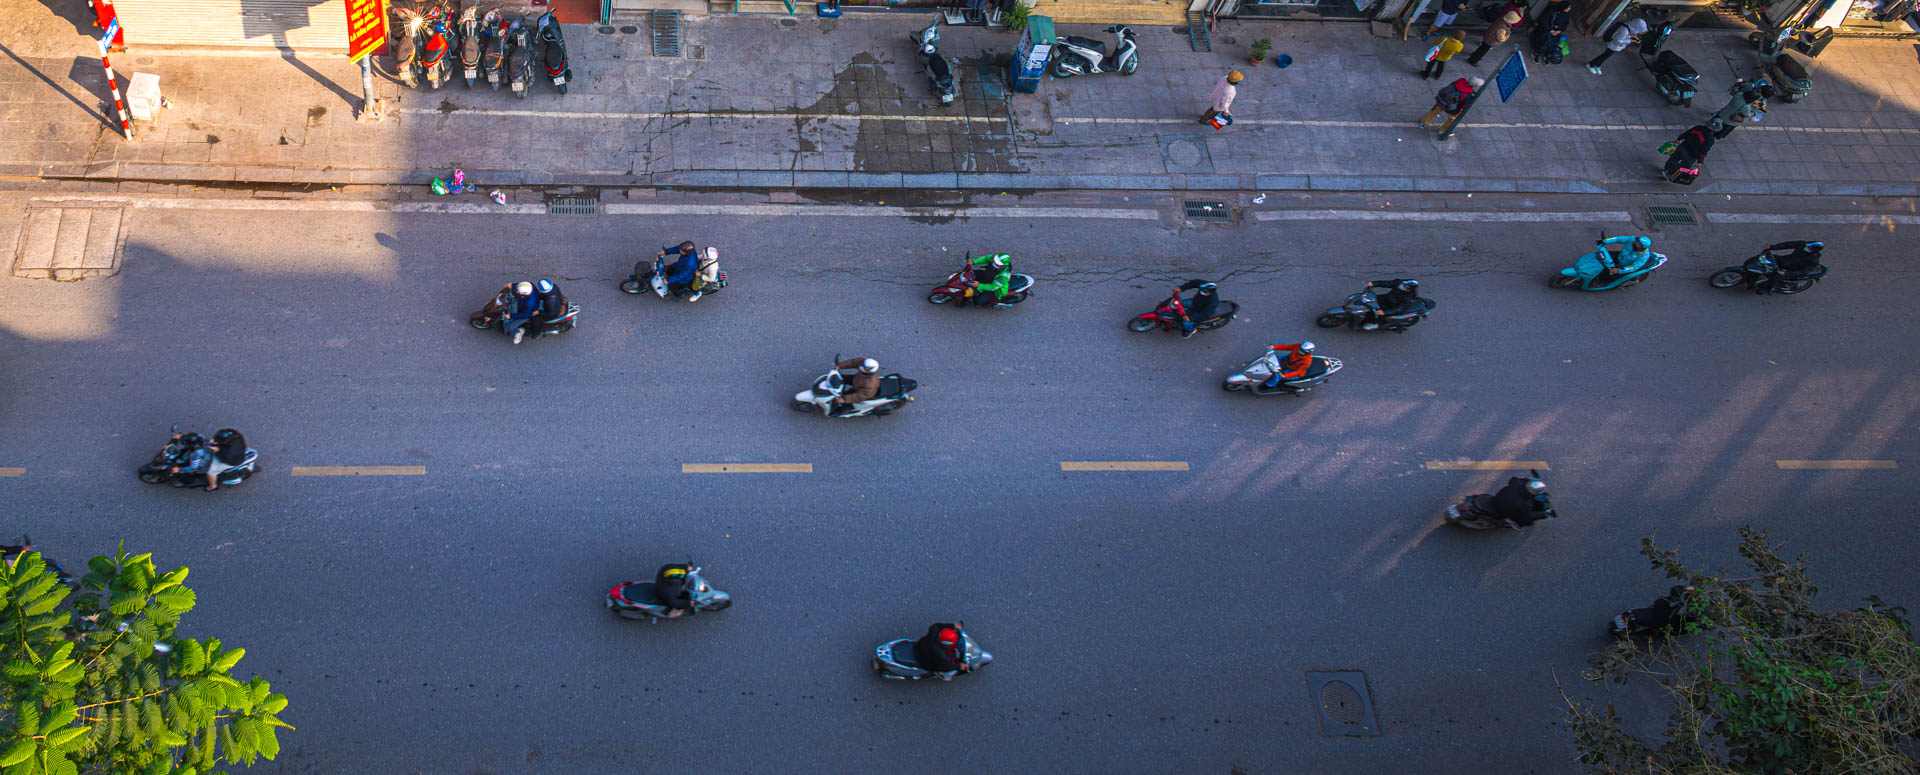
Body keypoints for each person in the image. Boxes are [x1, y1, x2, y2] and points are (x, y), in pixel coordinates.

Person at [1745, 240, 1824, 292]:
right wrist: (1772, 247)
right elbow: (1787, 244)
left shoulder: (1813, 260)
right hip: (1784, 260)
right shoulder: (1802, 244)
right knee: (1762, 259)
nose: (1805, 247)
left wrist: (1786, 274)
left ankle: (1765, 289)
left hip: (1790, 269)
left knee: (1774, 277)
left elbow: (1803, 271)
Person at [1484, 475, 1553, 528]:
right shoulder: (1525, 504)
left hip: (1498, 497)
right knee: (1523, 521)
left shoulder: (1517, 483)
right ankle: (1510, 523)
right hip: (1502, 510)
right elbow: (1528, 518)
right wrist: (1543, 514)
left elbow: (1514, 479)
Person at [1418, 76, 1483, 131]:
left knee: (1434, 111)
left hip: (1443, 100)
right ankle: (1442, 130)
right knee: (1452, 119)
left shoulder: (1460, 81)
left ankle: (1423, 122)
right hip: (1453, 108)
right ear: (1475, 86)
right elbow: (1464, 105)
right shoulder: (1469, 94)